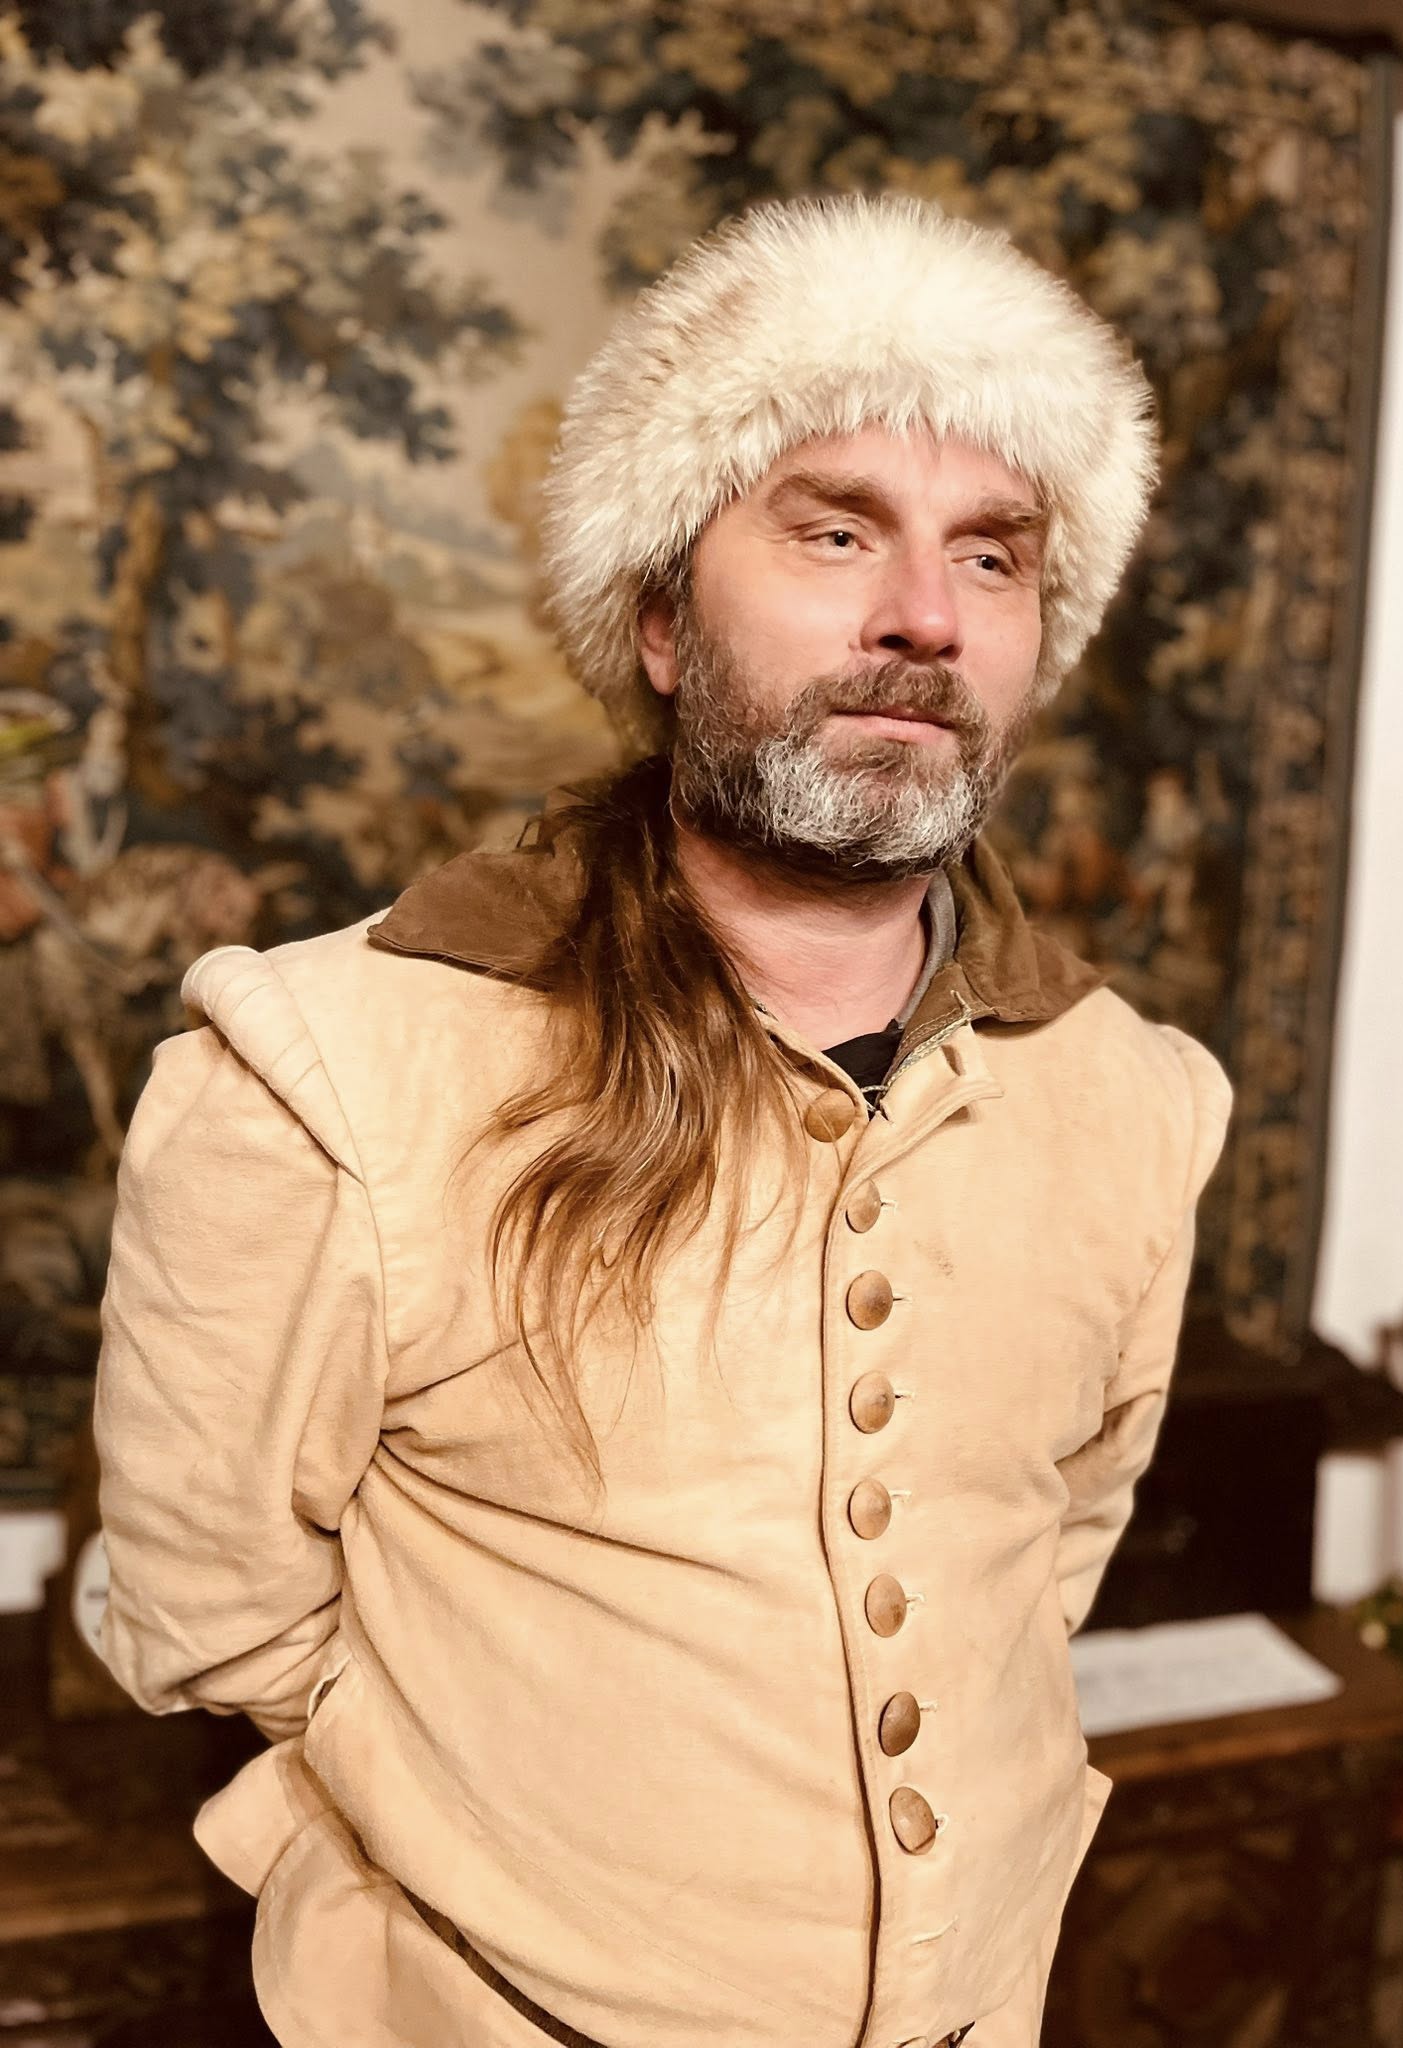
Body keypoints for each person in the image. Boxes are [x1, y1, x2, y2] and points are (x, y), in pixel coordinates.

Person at [93, 194, 1233, 2048]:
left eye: (994, 555)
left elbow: (1050, 1542)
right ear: (658, 620)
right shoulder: (324, 1068)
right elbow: (207, 1606)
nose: (925, 615)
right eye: (835, 530)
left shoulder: (1137, 1093)